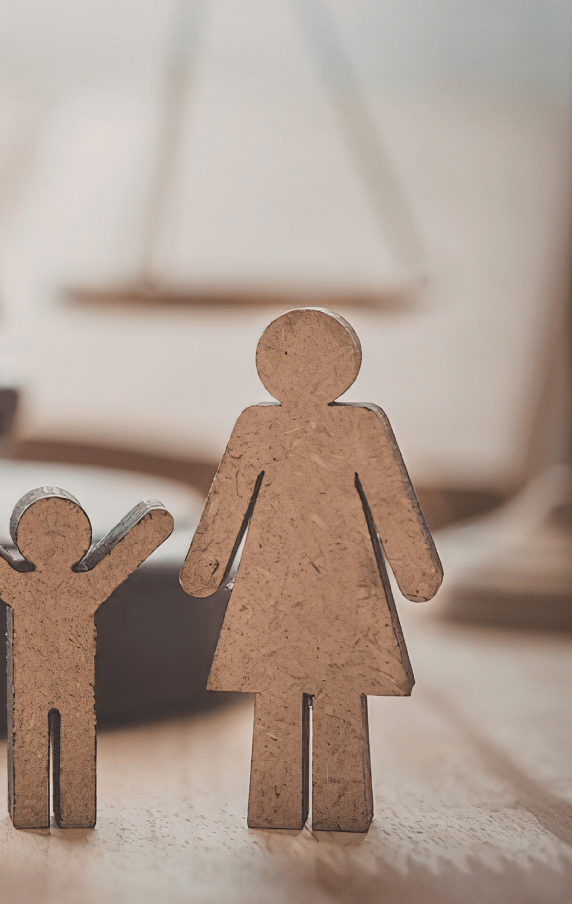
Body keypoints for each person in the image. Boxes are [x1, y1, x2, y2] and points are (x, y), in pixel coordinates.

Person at [181, 307, 442, 832]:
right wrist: (416, 573)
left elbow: (390, 502)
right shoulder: (259, 425)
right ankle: (284, 807)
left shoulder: (358, 426)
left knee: (326, 691)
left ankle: (333, 808)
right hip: (278, 589)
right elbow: (229, 500)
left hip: (337, 590)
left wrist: (204, 570)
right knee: (286, 693)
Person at [0, 488, 172, 828]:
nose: (54, 542)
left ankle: (70, 811)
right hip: (33, 685)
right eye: (43, 532)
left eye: (64, 531)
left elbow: (128, 550)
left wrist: (155, 523)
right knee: (31, 740)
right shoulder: (27, 585)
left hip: (75, 685)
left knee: (74, 741)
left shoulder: (79, 584)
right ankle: (34, 810)